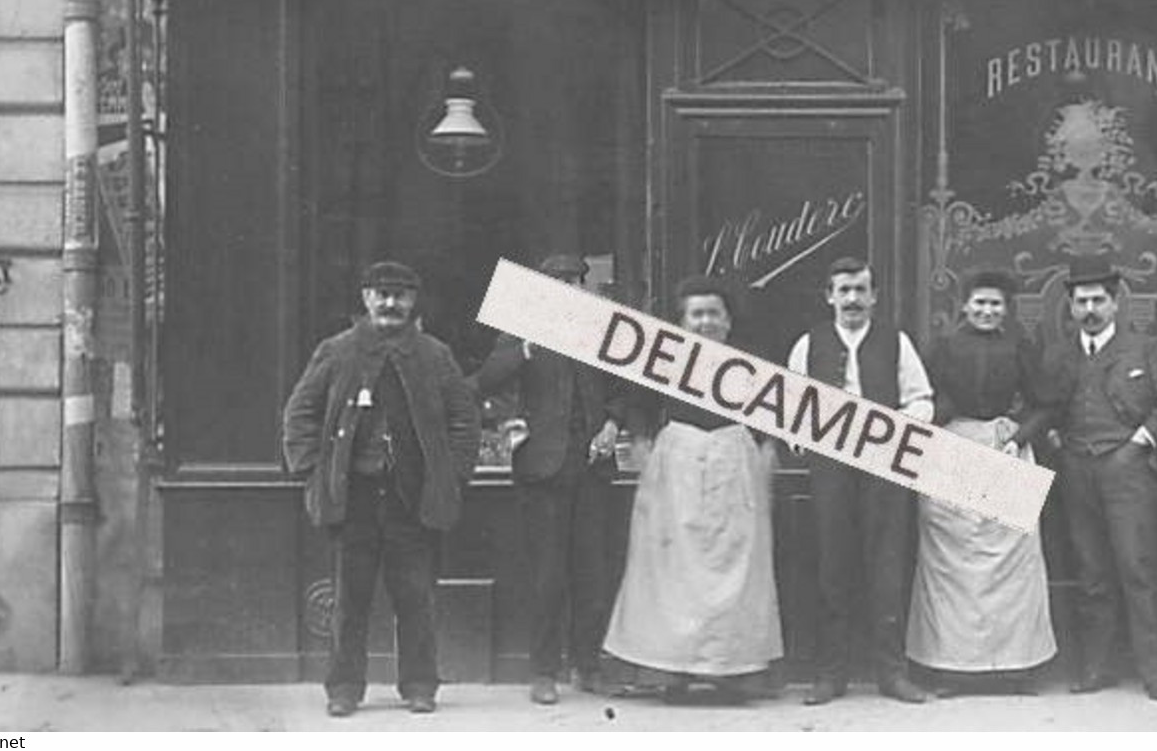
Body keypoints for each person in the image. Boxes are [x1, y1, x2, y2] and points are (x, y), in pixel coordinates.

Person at [281, 261, 480, 718]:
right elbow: (299, 415)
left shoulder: (435, 355)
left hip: (413, 499)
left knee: (416, 598)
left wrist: (454, 475)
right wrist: (315, 471)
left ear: (414, 302)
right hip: (355, 500)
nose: (391, 303)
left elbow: (464, 419)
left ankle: (419, 686)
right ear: (366, 298)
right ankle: (344, 689)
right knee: (350, 601)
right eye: (381, 294)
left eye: (401, 295)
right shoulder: (337, 352)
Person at [603, 276, 783, 702]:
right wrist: (647, 460)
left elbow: (775, 417)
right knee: (673, 570)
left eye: (714, 314)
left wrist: (767, 457)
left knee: (735, 565)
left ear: (728, 320)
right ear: (681, 321)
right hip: (678, 460)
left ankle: (730, 670)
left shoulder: (750, 361)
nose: (705, 322)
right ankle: (674, 668)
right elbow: (640, 410)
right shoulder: (662, 359)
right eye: (696, 314)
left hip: (734, 456)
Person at [471, 253, 625, 706]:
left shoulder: (603, 334)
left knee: (592, 573)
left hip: (592, 467)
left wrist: (613, 425)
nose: (567, 289)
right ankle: (543, 671)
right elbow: (485, 382)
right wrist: (524, 349)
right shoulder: (520, 331)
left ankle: (587, 666)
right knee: (547, 575)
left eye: (575, 282)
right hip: (542, 469)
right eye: (557, 282)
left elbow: (620, 393)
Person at [787, 257, 934, 705]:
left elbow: (921, 400)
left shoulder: (896, 342)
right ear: (829, 295)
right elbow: (792, 405)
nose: (852, 299)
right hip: (831, 467)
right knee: (833, 565)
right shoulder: (808, 344)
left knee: (887, 566)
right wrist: (801, 438)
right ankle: (831, 675)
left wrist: (895, 432)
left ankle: (891, 673)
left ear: (874, 296)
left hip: (883, 466)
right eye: (844, 290)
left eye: (860, 290)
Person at [907, 268, 1057, 696]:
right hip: (952, 448)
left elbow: (1046, 405)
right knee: (950, 563)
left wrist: (1019, 436)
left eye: (995, 304)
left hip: (1004, 447)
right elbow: (924, 398)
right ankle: (950, 668)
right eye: (980, 303)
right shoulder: (943, 347)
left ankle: (1017, 666)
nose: (987, 311)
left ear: (1005, 310)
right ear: (965, 306)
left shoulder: (1020, 348)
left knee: (1012, 565)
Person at [1041, 254, 1157, 702]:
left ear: (1115, 302)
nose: (1089, 309)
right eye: (1081, 301)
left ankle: (1155, 674)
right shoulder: (1058, 352)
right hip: (1077, 471)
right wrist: (1055, 441)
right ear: (1069, 304)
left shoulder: (1145, 348)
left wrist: (1140, 442)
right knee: (1092, 573)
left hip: (1129, 473)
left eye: (1098, 300)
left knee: (1138, 569)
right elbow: (1045, 402)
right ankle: (1096, 669)